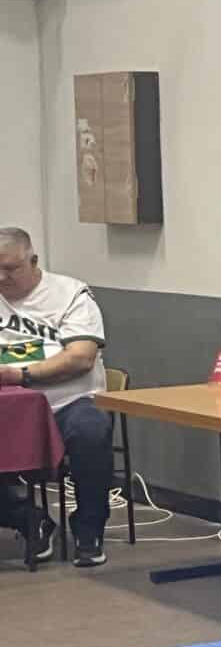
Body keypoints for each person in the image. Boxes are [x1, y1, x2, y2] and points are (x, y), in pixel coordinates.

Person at [0, 229, 111, 567]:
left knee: (91, 431)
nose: (1, 277)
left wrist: (23, 375)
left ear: (33, 261)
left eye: (10, 268)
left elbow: (80, 357)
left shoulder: (71, 294)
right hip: (7, 406)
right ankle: (29, 520)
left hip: (66, 403)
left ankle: (88, 529)